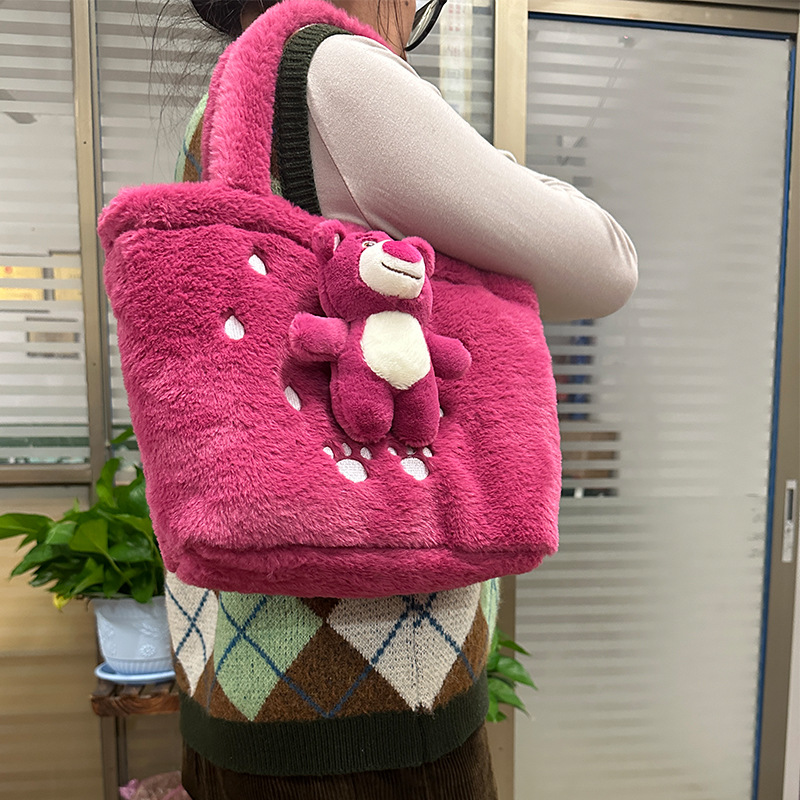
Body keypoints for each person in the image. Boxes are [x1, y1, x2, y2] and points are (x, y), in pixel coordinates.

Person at [168, 1, 638, 798]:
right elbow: (604, 263)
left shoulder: (221, 106)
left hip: (235, 682)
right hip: (371, 701)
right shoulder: (340, 72)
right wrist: (486, 162)